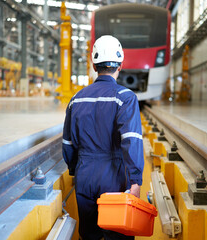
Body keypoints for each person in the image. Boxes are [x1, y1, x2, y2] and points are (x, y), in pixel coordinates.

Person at [62, 35, 144, 240]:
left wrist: (75, 170)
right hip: (114, 176)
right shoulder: (125, 97)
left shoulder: (76, 99)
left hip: (85, 173)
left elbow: (68, 142)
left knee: (88, 234)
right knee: (117, 234)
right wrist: (135, 180)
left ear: (93, 63)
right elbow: (131, 140)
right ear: (120, 65)